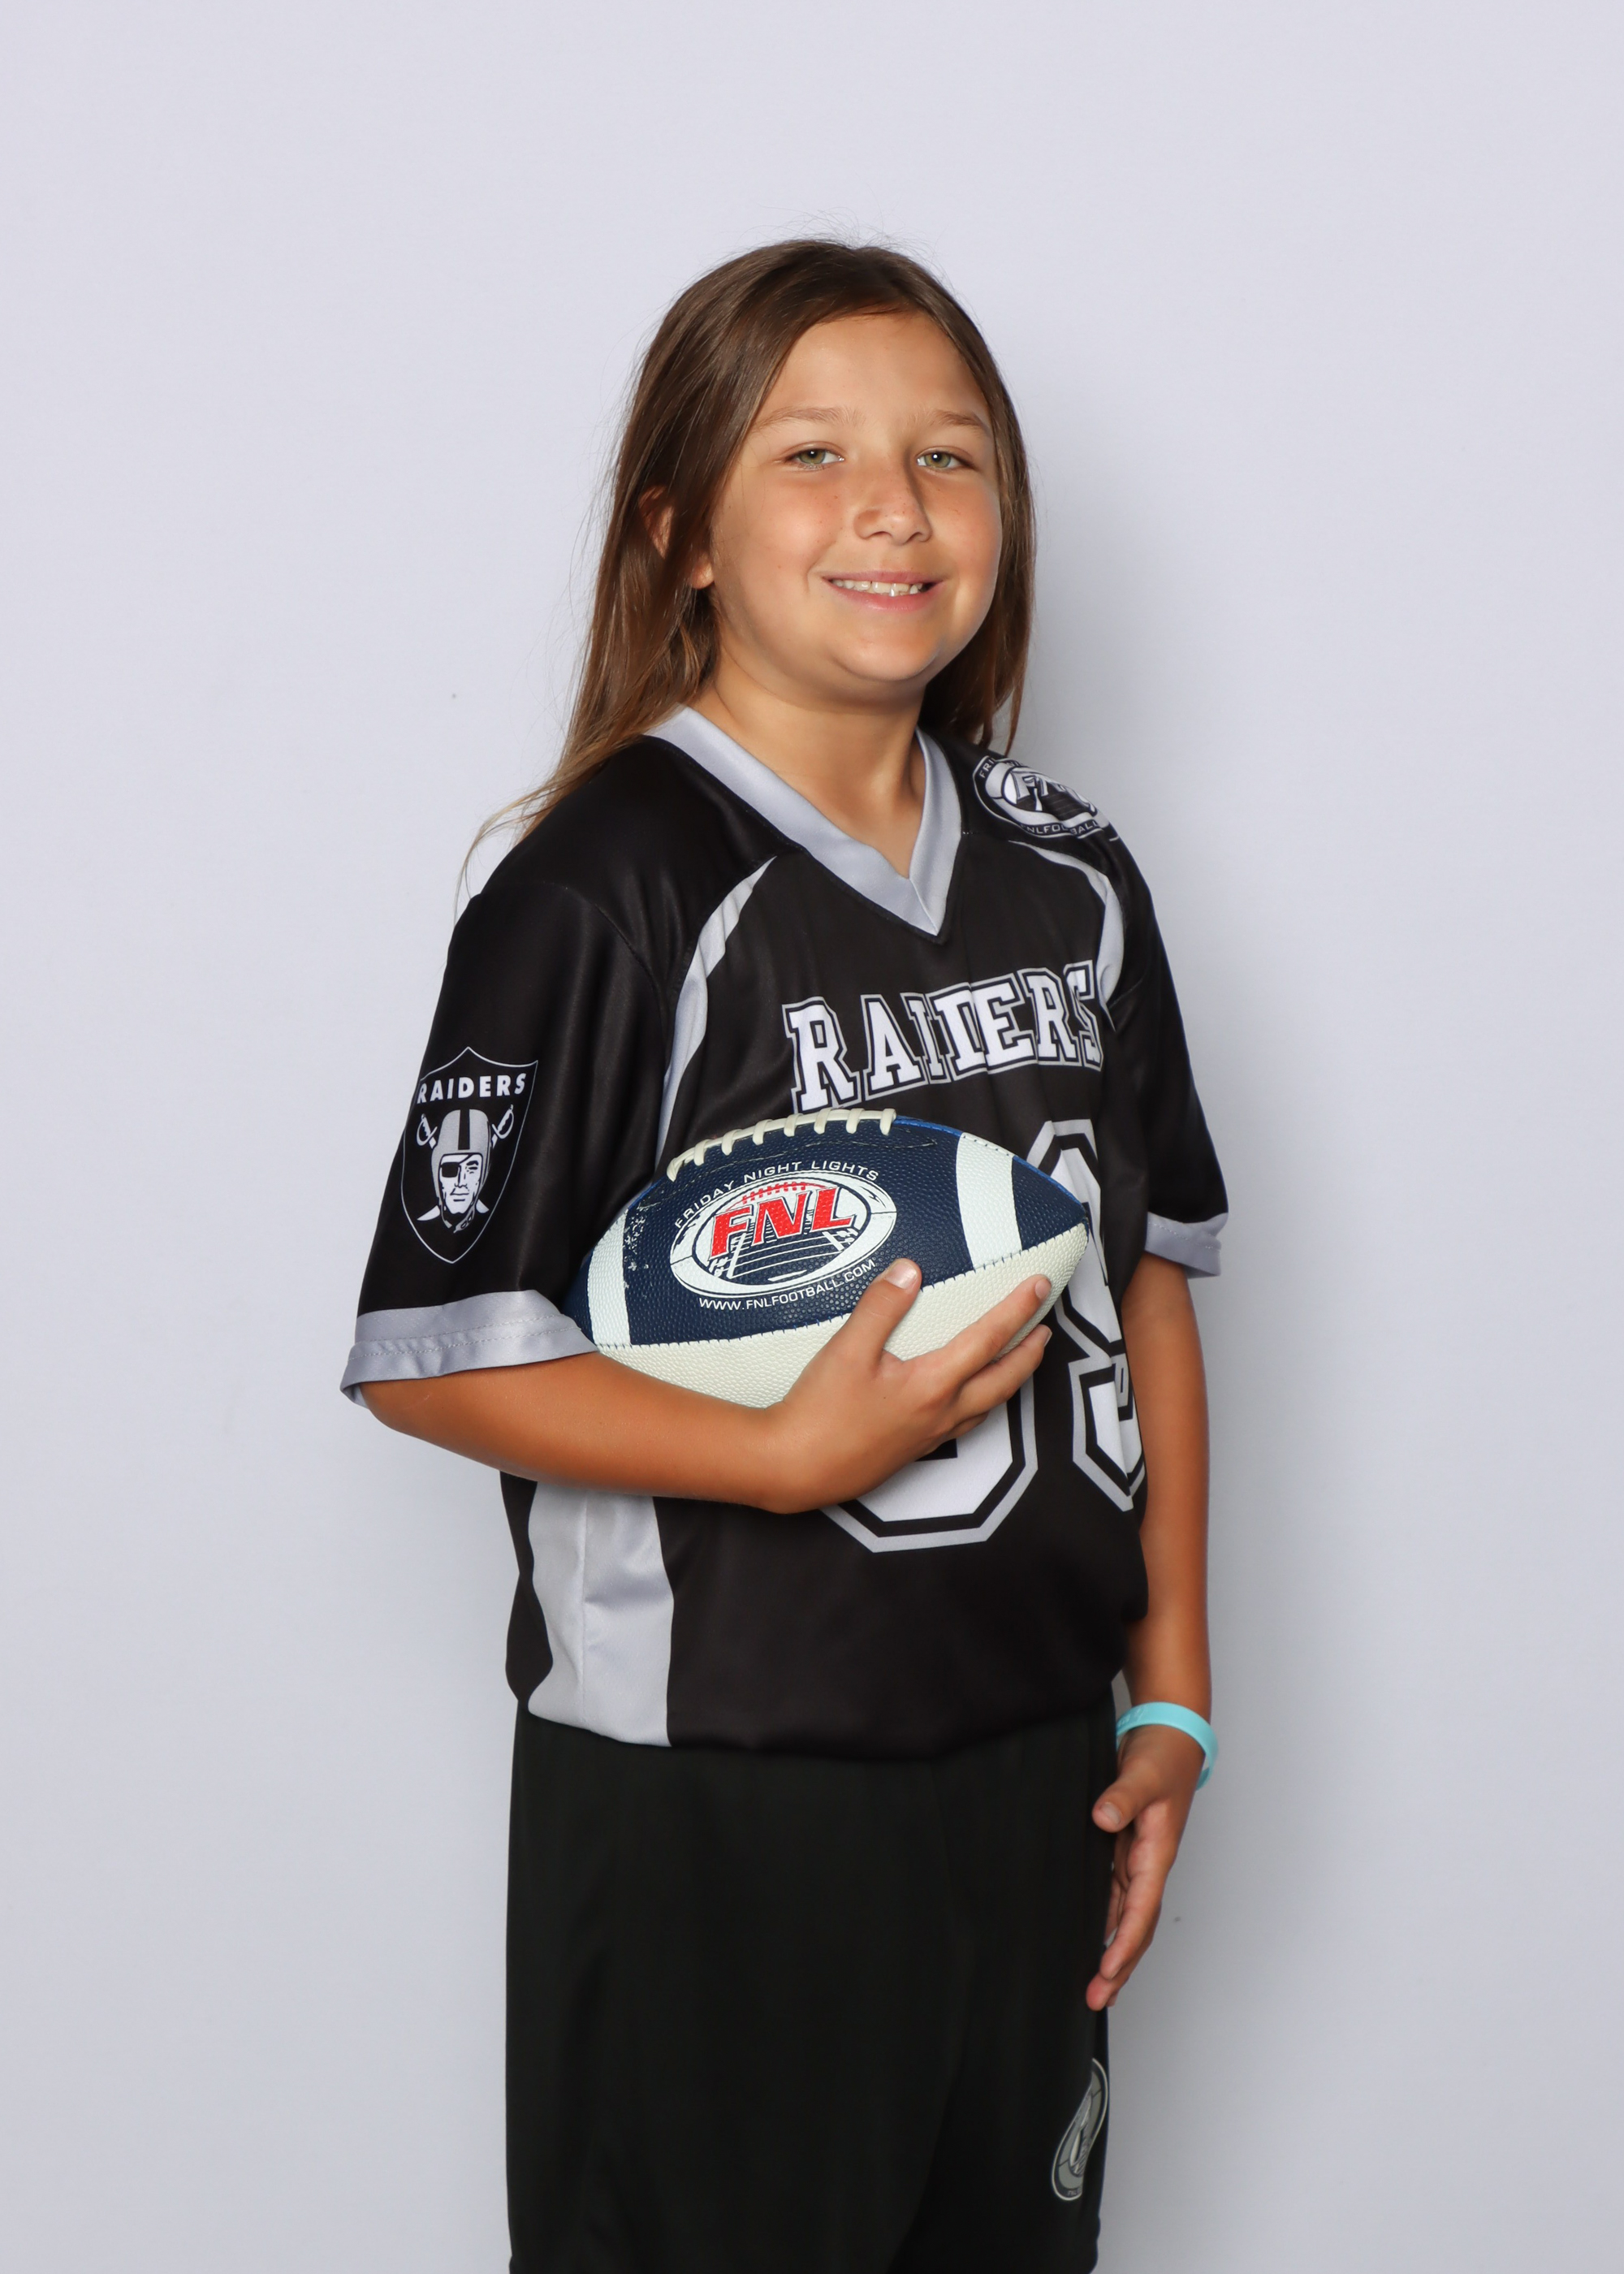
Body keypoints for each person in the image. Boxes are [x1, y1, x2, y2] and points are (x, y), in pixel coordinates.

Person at [343, 239, 1227, 2274]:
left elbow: (1143, 1279)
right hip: (718, 1791)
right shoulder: (605, 884)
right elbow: (432, 1349)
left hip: (1034, 1764)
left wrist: (1171, 1687)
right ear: (681, 534)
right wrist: (780, 1452)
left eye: (949, 456)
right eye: (811, 453)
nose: (892, 509)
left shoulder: (1073, 870)